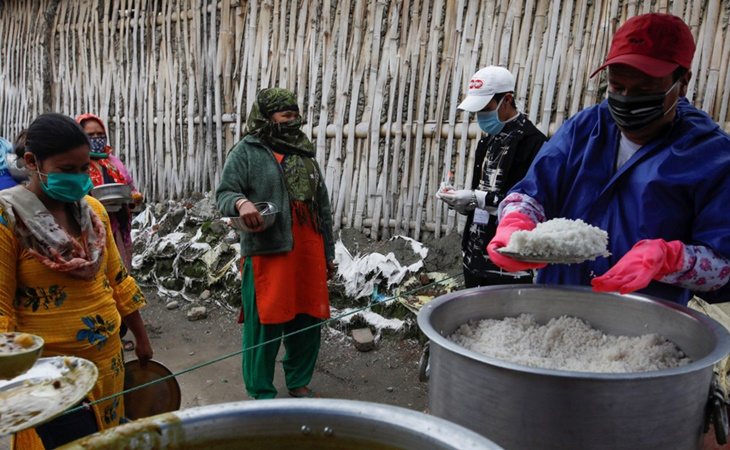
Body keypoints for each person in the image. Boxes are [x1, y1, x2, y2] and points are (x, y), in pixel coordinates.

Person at [487, 13, 730, 305]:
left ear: (683, 81)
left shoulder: (710, 155)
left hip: (643, 325)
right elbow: (532, 192)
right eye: (617, 87)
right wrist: (515, 223)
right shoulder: (585, 128)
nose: (627, 99)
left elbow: (723, 266)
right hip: (556, 306)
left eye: (644, 90)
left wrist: (670, 259)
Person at [0, 113, 153, 449]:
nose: (80, 178)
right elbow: (1, 309)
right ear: (32, 162)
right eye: (67, 170)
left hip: (107, 363)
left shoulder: (94, 213)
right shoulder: (7, 220)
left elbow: (118, 280)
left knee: (109, 438)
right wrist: (11, 379)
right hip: (49, 377)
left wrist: (141, 336)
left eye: (84, 168)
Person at [216, 87, 335, 400]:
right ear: (267, 118)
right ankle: (261, 390)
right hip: (269, 252)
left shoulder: (303, 152)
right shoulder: (247, 151)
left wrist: (329, 254)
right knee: (265, 323)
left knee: (308, 320)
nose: (293, 121)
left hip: (308, 251)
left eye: (295, 116)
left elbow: (322, 208)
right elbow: (225, 193)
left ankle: (298, 381)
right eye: (286, 116)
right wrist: (242, 203)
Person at [437, 66, 546, 288]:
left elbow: (531, 206)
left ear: (506, 100)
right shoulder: (486, 142)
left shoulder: (535, 144)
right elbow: (482, 196)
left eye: (485, 108)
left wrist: (477, 198)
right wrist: (460, 202)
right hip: (474, 258)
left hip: (510, 264)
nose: (481, 117)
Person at [75, 114, 143, 272]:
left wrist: (132, 197)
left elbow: (129, 188)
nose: (96, 138)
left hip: (115, 224)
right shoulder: (76, 163)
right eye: (90, 135)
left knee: (117, 270)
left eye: (100, 134)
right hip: (88, 227)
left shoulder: (113, 162)